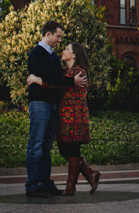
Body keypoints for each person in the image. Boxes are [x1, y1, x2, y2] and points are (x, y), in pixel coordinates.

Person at [28, 42, 100, 196]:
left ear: (74, 55)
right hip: (65, 116)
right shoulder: (67, 72)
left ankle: (70, 185)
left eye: (67, 49)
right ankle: (90, 174)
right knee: (64, 149)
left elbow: (56, 85)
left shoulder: (78, 72)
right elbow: (58, 80)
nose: (63, 51)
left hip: (75, 115)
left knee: (72, 149)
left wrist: (36, 79)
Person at [25, 20, 87, 198]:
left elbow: (54, 79)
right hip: (40, 103)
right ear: (48, 34)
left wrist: (42, 80)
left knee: (45, 147)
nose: (60, 40)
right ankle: (33, 185)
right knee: (36, 144)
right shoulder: (37, 53)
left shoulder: (52, 56)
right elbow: (50, 78)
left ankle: (45, 184)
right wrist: (71, 81)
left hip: (53, 105)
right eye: (58, 36)